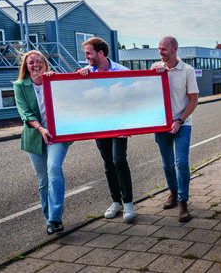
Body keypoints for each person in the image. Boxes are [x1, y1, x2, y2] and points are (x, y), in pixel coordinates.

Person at [13, 50, 73, 234]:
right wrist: (40, 128)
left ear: (45, 64)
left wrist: (55, 82)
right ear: (26, 66)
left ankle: (56, 218)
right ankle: (50, 221)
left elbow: (72, 98)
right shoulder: (20, 86)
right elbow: (25, 112)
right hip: (35, 136)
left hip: (57, 135)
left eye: (39, 62)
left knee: (54, 168)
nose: (35, 65)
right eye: (31, 62)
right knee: (43, 180)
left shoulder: (54, 81)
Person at [78, 37, 136, 222]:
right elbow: (78, 96)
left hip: (119, 123)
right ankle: (116, 202)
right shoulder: (87, 73)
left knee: (119, 160)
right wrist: (83, 78)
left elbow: (133, 97)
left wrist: (131, 123)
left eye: (88, 53)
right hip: (99, 124)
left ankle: (128, 203)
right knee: (108, 164)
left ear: (100, 53)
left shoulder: (122, 71)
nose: (86, 57)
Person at [152, 36, 199, 222]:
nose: (161, 52)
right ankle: (172, 193)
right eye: (159, 49)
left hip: (182, 123)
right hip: (162, 125)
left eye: (164, 49)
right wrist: (154, 74)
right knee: (167, 164)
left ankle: (183, 202)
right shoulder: (156, 69)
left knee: (182, 163)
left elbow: (194, 100)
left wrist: (179, 120)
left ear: (174, 49)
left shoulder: (187, 71)